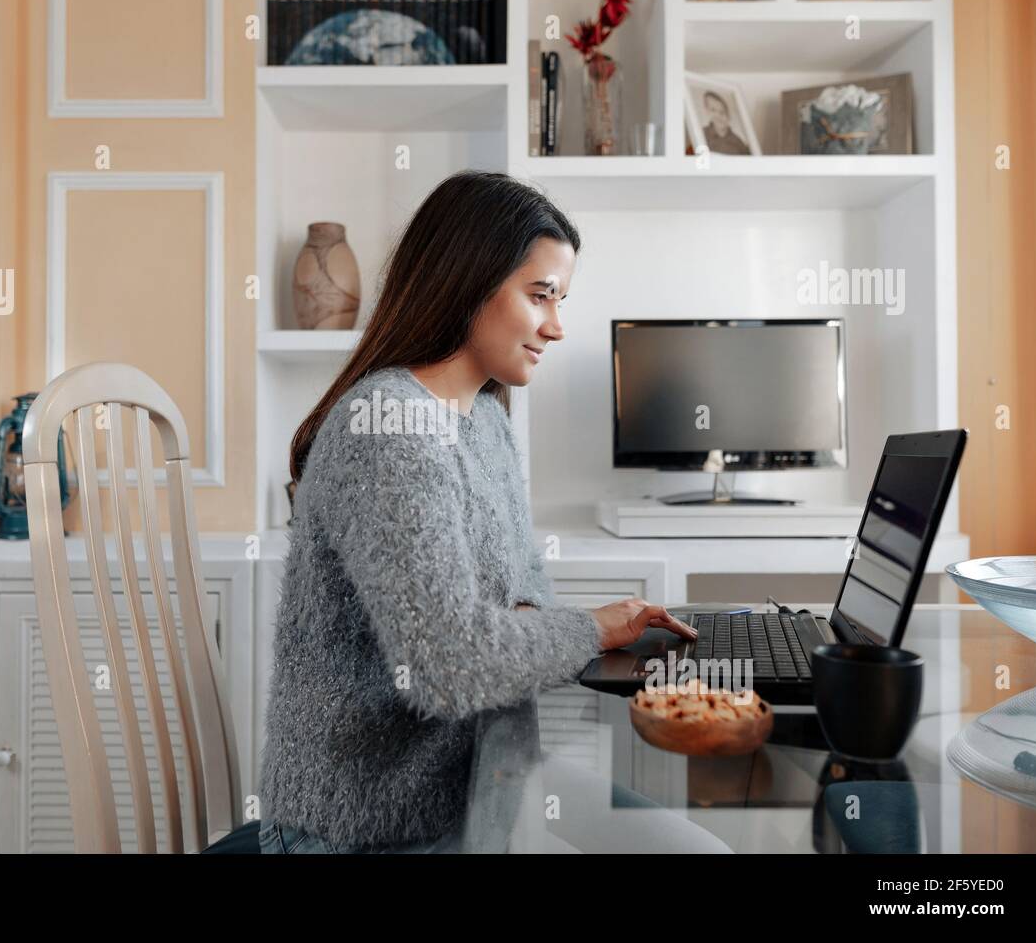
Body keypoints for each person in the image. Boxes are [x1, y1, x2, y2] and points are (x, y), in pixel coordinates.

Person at [256, 171, 705, 854]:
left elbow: (522, 596)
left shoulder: (484, 418)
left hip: (484, 779)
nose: (556, 327)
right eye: (540, 295)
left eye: (561, 300)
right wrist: (591, 629)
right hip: (368, 827)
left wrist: (571, 630)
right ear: (469, 281)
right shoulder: (388, 430)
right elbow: (451, 665)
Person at [701, 89, 751, 155]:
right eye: (713, 110)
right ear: (707, 112)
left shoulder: (738, 141)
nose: (718, 116)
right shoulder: (702, 134)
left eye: (722, 112)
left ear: (728, 116)